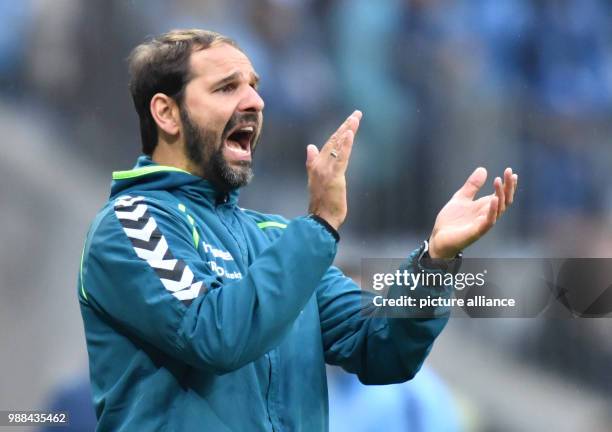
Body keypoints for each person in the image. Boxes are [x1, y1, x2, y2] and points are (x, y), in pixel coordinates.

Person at [78, 29, 517, 431]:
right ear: (167, 113)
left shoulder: (275, 236)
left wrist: (434, 261)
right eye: (227, 87)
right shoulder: (130, 223)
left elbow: (381, 346)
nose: (255, 101)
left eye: (254, 86)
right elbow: (213, 335)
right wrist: (320, 223)